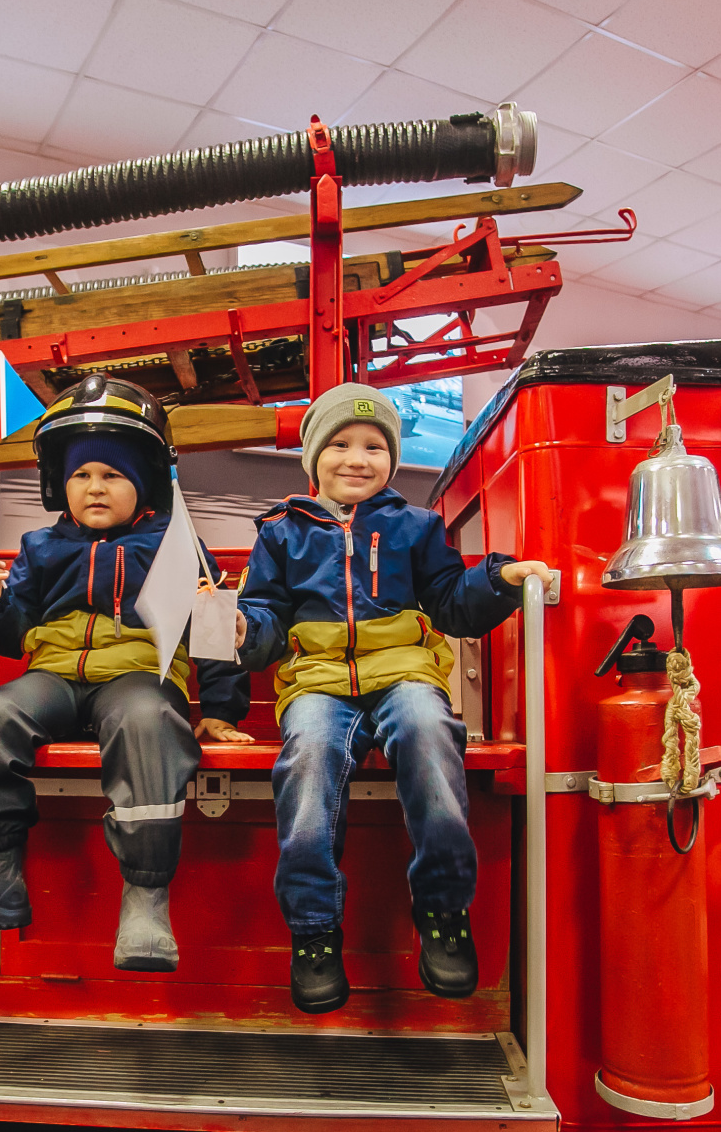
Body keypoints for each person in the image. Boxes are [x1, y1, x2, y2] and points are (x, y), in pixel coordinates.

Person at [0, 376, 250, 972]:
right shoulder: (39, 547)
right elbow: (9, 638)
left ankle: (145, 893)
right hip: (54, 676)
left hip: (139, 675)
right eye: (82, 475)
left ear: (146, 483)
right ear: (61, 484)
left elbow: (212, 633)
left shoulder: (177, 543)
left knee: (148, 721)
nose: (95, 487)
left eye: (112, 475)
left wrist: (219, 711)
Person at [236, 383, 553, 1014]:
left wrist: (499, 579)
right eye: (340, 445)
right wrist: (243, 629)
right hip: (319, 681)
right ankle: (314, 931)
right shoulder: (279, 533)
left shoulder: (416, 527)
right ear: (312, 458)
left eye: (375, 447)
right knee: (309, 756)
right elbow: (264, 619)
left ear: (392, 459)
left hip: (405, 671)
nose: (358, 458)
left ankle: (443, 910)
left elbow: (450, 602)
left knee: (431, 733)